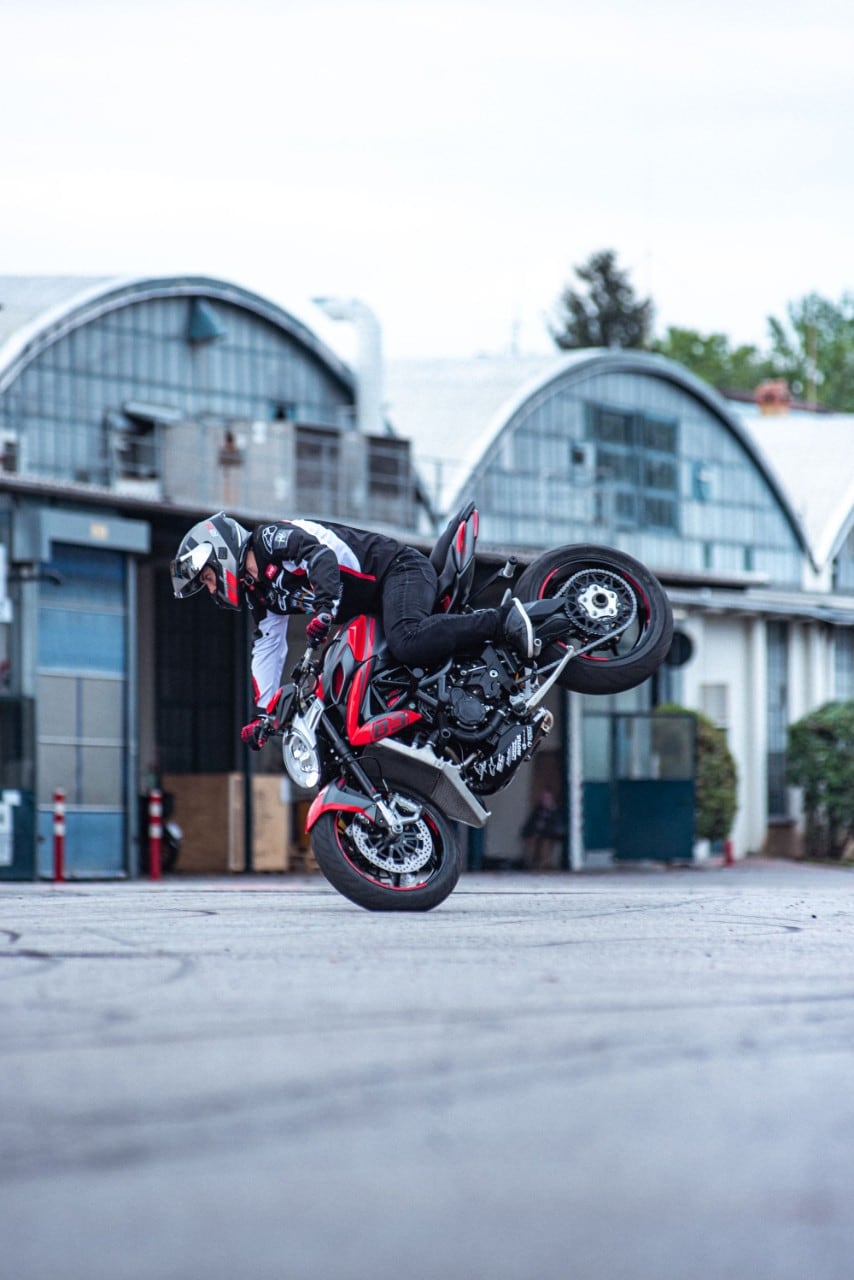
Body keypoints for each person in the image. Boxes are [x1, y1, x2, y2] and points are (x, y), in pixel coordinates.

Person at [171, 511, 534, 749]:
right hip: (375, 607)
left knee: (407, 640)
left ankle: (503, 621)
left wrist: (325, 608)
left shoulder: (269, 540)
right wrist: (265, 714)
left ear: (220, 553)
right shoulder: (261, 594)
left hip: (399, 570)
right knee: (356, 691)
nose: (213, 589)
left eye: (209, 578)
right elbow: (268, 645)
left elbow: (319, 556)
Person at [521, 788, 565, 870]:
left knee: (545, 843)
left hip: (550, 836)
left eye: (547, 798)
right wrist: (528, 833)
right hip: (536, 835)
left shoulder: (556, 812)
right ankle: (531, 866)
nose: (544, 800)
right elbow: (530, 824)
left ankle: (543, 866)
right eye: (543, 798)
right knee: (531, 842)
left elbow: (556, 827)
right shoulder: (537, 811)